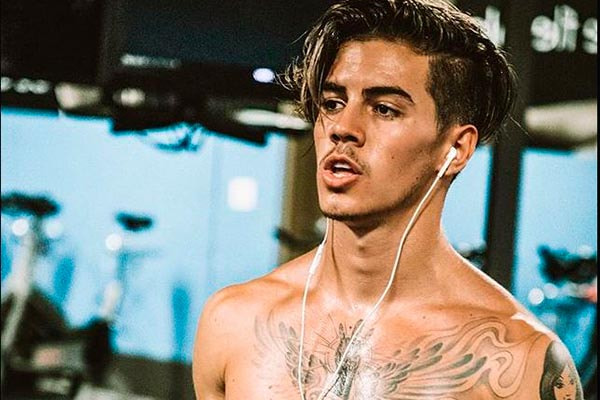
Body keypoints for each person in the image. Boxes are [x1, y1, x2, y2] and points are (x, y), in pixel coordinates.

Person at [192, 0, 583, 399]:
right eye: (333, 103)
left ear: (456, 149)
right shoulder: (234, 322)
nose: (343, 128)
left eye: (383, 109)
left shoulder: (521, 359)